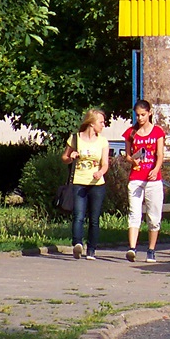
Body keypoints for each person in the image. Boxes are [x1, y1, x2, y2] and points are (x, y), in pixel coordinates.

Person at [63, 108, 109, 260]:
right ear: (91, 123)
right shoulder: (75, 138)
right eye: (101, 122)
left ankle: (92, 249)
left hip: (97, 184)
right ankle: (77, 244)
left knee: (94, 218)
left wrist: (100, 172)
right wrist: (71, 156)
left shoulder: (103, 141)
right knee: (79, 216)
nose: (103, 125)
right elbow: (64, 157)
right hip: (79, 182)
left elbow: (105, 164)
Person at [124, 99, 166, 263]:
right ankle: (132, 248)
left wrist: (155, 170)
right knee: (134, 213)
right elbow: (127, 155)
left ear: (149, 113)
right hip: (136, 178)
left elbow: (160, 154)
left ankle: (151, 249)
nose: (140, 118)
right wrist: (132, 160)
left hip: (153, 180)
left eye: (143, 115)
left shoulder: (157, 132)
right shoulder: (131, 133)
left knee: (154, 216)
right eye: (137, 115)